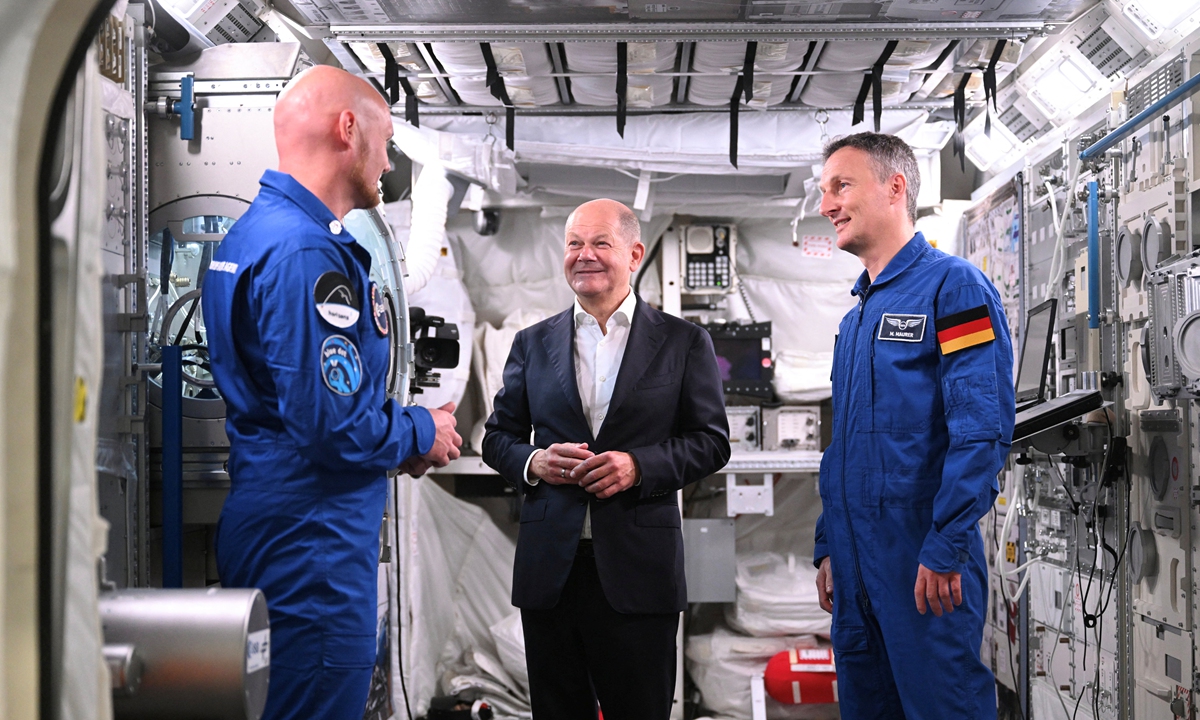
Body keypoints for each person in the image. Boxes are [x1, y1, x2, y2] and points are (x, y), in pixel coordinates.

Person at [204, 65, 462, 720]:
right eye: (383, 137)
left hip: (289, 525)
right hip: (310, 545)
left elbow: (308, 406)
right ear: (348, 128)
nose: (387, 159)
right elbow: (334, 429)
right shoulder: (305, 255)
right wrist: (420, 431)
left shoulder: (261, 234)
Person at [482, 199, 731, 720]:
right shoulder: (531, 343)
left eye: (600, 243)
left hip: (640, 570)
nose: (584, 255)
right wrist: (535, 462)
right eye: (574, 244)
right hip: (552, 572)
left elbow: (711, 441)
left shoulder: (683, 343)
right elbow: (497, 438)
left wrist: (638, 466)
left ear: (635, 253)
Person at [812, 132, 1014, 720]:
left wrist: (947, 543)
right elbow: (844, 447)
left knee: (942, 707)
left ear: (894, 187)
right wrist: (828, 546)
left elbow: (980, 428)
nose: (827, 204)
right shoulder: (856, 321)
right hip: (856, 570)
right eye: (825, 191)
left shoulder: (955, 289)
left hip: (923, 562)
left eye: (841, 186)